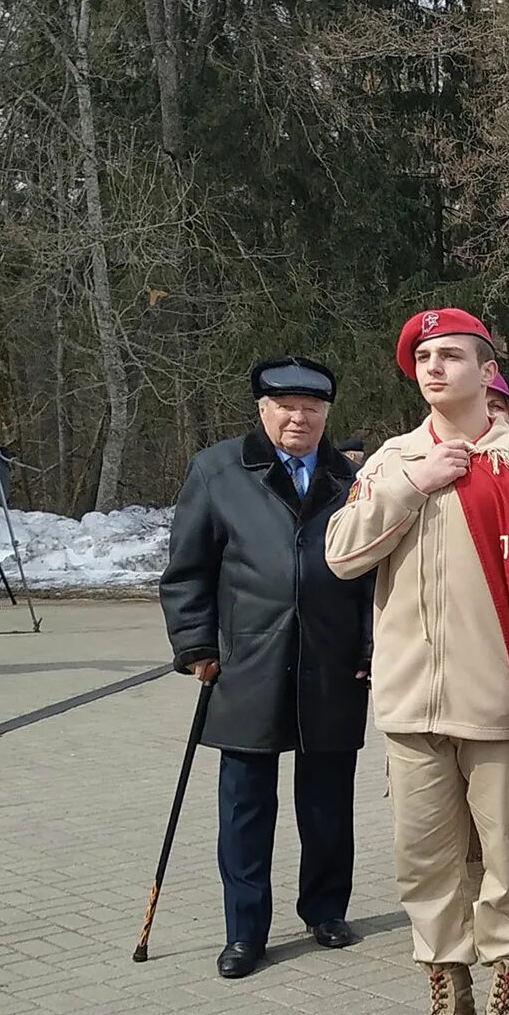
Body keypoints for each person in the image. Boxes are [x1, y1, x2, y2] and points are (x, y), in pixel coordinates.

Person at [325, 308, 509, 1015]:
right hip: (412, 704)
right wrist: (413, 486)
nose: (433, 367)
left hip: (500, 708)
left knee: (507, 865)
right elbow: (342, 554)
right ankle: (453, 1010)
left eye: (452, 355)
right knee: (424, 865)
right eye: (422, 356)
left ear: (488, 371)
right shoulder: (391, 459)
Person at [159, 357, 371, 980]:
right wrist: (197, 645)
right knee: (245, 805)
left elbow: (372, 578)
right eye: (286, 406)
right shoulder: (220, 471)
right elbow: (187, 570)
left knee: (328, 801)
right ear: (262, 409)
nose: (298, 417)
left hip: (333, 666)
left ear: (327, 414)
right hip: (247, 662)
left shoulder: (350, 478)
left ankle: (326, 909)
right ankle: (244, 930)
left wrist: (369, 650)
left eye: (312, 407)